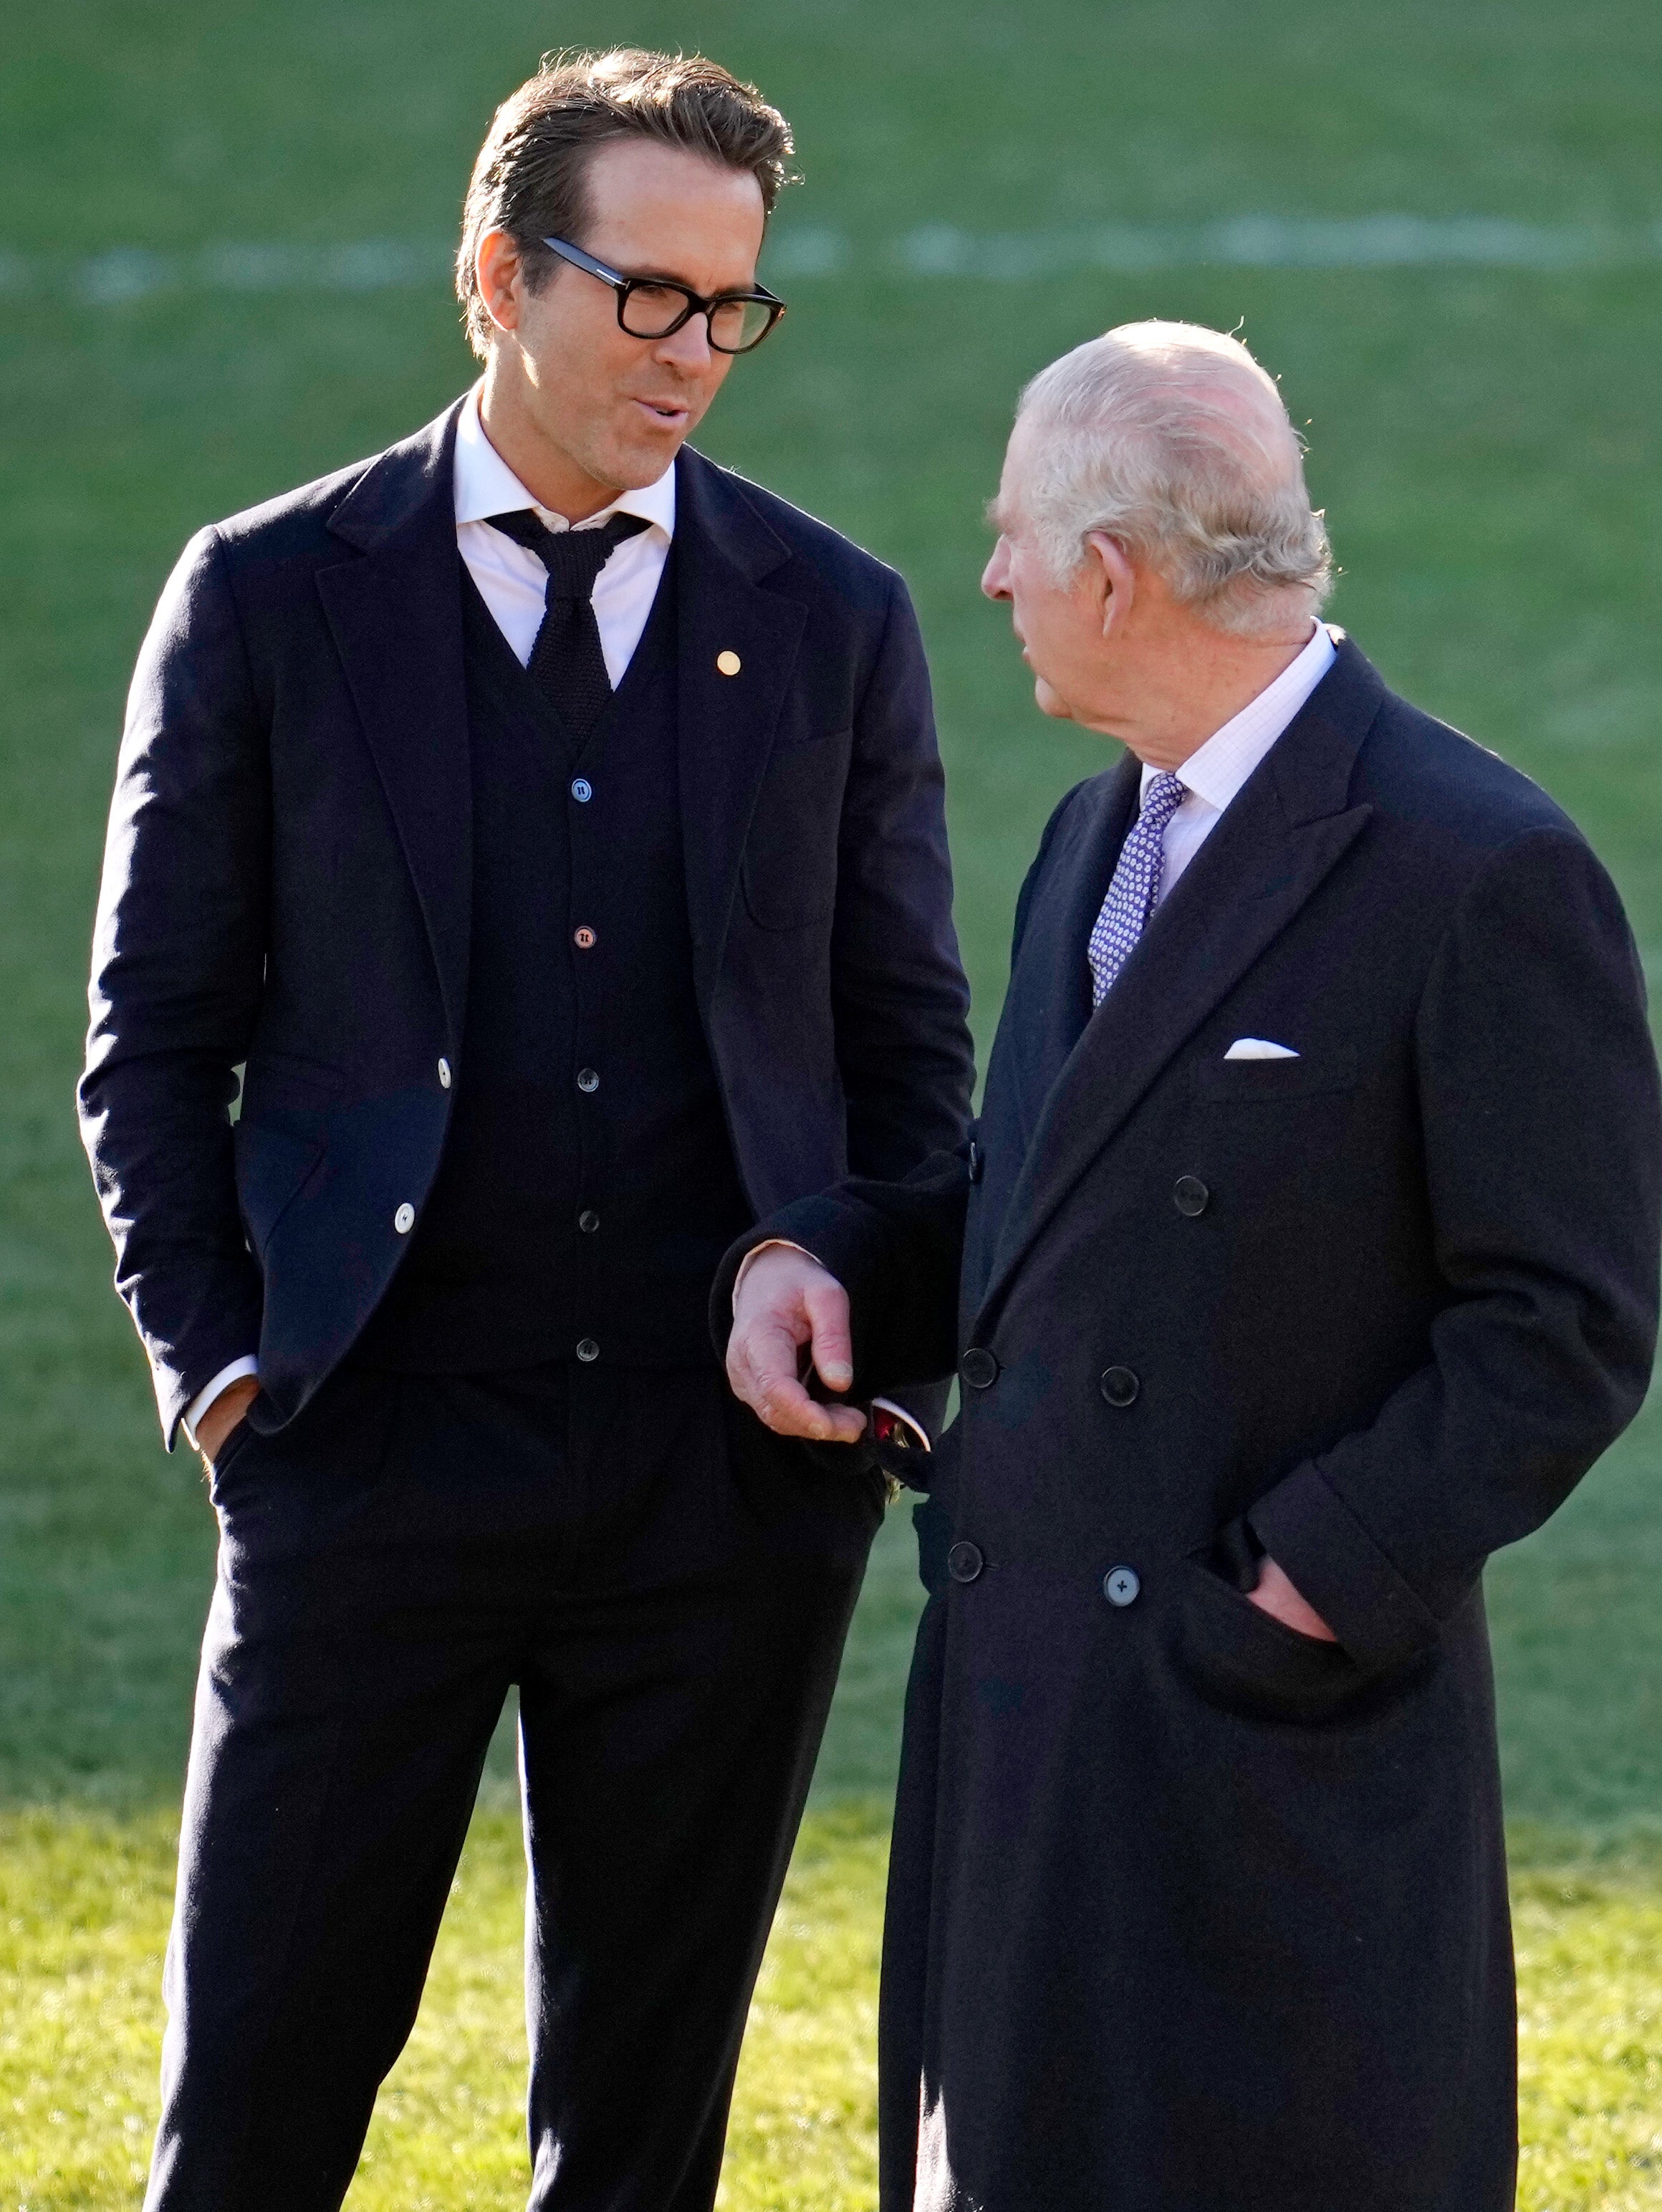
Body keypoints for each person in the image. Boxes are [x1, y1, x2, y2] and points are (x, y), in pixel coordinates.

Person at [79, 47, 972, 2211]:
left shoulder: (832, 616)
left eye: (731, 307)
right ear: (500, 273)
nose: (693, 353)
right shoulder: (271, 594)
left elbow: (910, 1056)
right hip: (364, 1450)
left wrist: (845, 1321)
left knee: (641, 2143)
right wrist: (221, 1377)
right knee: (256, 2115)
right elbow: (154, 1034)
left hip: (725, 1496)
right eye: (644, 295)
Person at [722, 321, 1662, 2211]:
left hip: (1263, 1743)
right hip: (1041, 1720)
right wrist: (830, 1262)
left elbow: (1566, 1321)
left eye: (1011, 536)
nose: (987, 578)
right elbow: (1062, 1193)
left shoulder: (1476, 865)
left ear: (1114, 571)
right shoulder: (1092, 838)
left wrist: (1311, 1584)